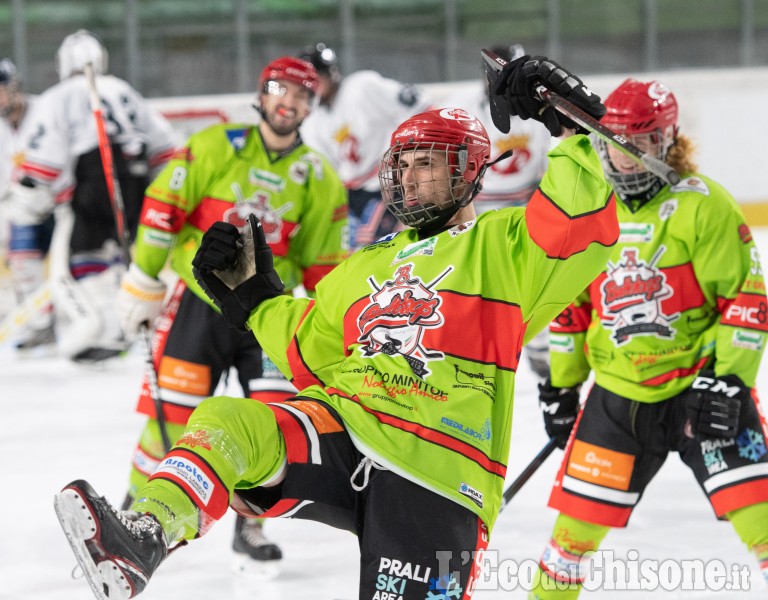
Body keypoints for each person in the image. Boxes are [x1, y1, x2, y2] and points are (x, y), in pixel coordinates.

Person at [54, 54, 617, 600]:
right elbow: (312, 348)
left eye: (428, 163)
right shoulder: (369, 263)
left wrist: (571, 127)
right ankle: (145, 536)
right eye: (403, 163)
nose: (410, 178)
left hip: (439, 468)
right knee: (228, 419)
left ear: (468, 170)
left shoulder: (503, 244)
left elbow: (579, 222)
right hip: (346, 429)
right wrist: (255, 300)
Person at [529, 78, 768, 599]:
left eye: (640, 145)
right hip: (618, 402)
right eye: (615, 144)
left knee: (764, 527)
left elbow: (746, 300)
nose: (625, 158)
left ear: (668, 141)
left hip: (701, 392)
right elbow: (571, 309)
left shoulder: (704, 207)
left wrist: (728, 380)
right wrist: (561, 388)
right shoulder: (593, 211)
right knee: (567, 545)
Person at [112, 55, 349, 573]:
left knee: (271, 423)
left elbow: (326, 265)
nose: (289, 102)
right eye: (280, 90)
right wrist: (143, 278)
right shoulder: (212, 146)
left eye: (302, 95)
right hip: (200, 303)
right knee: (169, 419)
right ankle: (132, 515)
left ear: (312, 106)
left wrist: (334, 328)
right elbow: (161, 210)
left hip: (266, 314)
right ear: (261, 94)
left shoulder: (320, 177)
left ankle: (251, 527)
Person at [1, 30, 177, 362]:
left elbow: (45, 162)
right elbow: (165, 146)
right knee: (116, 252)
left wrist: (32, 191)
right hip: (134, 176)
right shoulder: (123, 88)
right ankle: (122, 327)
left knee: (82, 256)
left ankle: (103, 327)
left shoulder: (60, 95)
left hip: (95, 176)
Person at [447, 43, 553, 379]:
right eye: (493, 72)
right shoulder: (462, 109)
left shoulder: (541, 110)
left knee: (532, 280)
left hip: (525, 203)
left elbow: (554, 163)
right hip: (476, 207)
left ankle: (538, 344)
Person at [298, 42, 431, 250]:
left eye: (317, 78)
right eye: (309, 81)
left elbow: (419, 103)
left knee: (370, 247)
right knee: (344, 251)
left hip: (387, 183)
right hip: (351, 195)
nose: (314, 86)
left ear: (331, 74)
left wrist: (413, 157)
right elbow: (325, 170)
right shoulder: (311, 118)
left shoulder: (362, 87)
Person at [0, 58, 56, 351]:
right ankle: (41, 325)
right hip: (24, 211)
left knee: (86, 262)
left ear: (14, 88)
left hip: (60, 201)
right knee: (21, 259)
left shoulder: (45, 111)